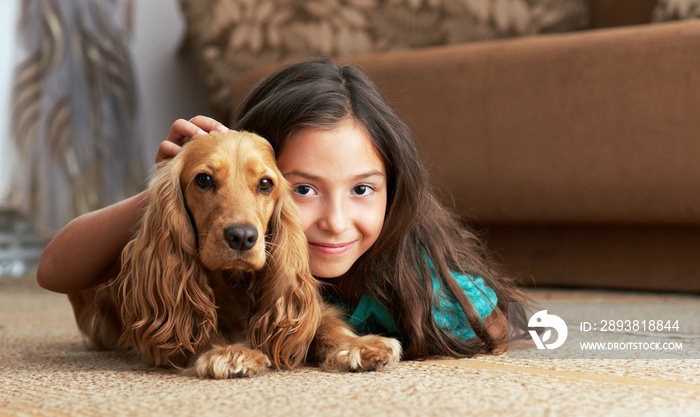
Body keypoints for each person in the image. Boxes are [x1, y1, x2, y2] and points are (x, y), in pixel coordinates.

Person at [37, 58, 526, 360]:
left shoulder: (405, 265)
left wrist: (400, 316)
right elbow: (54, 271)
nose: (336, 221)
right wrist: (174, 182)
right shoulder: (203, 226)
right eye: (304, 190)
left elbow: (490, 322)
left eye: (362, 190)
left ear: (392, 191)